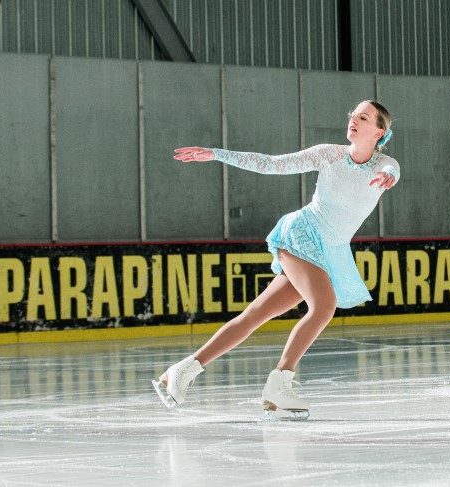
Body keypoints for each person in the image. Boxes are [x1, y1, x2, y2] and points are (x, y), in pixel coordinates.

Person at [153, 100, 400, 419]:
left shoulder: (386, 164)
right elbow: (271, 163)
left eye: (363, 117)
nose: (353, 119)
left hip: (331, 249)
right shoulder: (329, 154)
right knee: (323, 306)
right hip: (303, 234)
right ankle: (280, 382)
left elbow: (389, 170)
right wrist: (216, 153)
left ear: (379, 131)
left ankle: (183, 370)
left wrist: (389, 176)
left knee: (256, 314)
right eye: (352, 115)